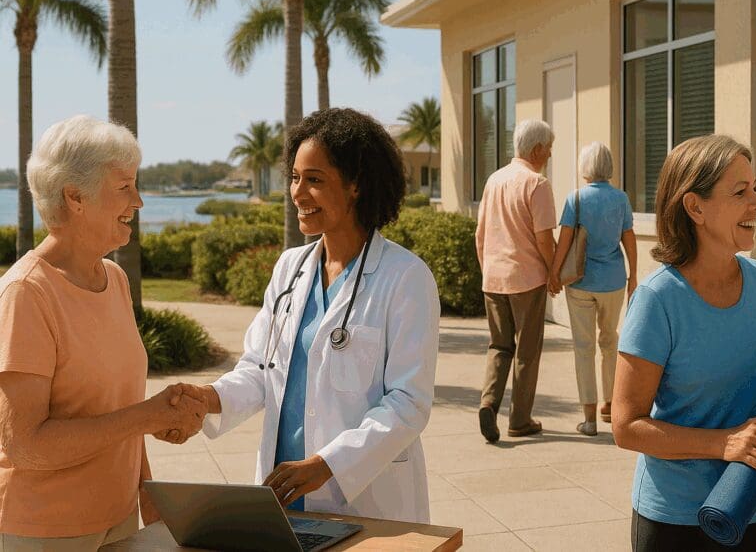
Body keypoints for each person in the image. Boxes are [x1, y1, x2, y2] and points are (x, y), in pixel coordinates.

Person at [175, 108, 440, 524]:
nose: (298, 193)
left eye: (315, 179)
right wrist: (208, 398)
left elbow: (409, 403)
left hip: (364, 499)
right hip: (282, 494)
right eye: (295, 178)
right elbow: (260, 370)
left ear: (355, 186)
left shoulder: (404, 277)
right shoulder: (289, 269)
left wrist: (327, 464)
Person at [0, 115, 206, 549]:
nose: (139, 201)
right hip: (44, 530)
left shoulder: (114, 279)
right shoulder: (25, 293)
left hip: (119, 519)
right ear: (75, 196)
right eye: (124, 188)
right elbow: (26, 445)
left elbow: (122, 408)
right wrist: (150, 416)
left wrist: (148, 496)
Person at [613, 134, 756, 551]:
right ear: (695, 207)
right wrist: (724, 443)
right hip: (678, 522)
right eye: (740, 192)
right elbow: (626, 426)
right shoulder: (658, 300)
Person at [475, 119, 557, 443]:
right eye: (549, 148)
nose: (550, 154)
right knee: (527, 350)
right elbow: (544, 239)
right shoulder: (537, 183)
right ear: (537, 149)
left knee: (499, 346)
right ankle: (520, 420)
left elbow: (479, 234)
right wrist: (553, 274)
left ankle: (488, 403)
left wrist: (487, 270)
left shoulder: (494, 180)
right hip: (527, 279)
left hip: (493, 278)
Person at [550, 142, 637, 436]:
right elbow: (629, 238)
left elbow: (564, 241)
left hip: (581, 283)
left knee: (583, 348)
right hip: (613, 281)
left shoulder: (576, 198)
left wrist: (553, 274)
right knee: (610, 341)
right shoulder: (621, 199)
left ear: (584, 166)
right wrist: (633, 275)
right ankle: (610, 407)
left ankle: (588, 418)